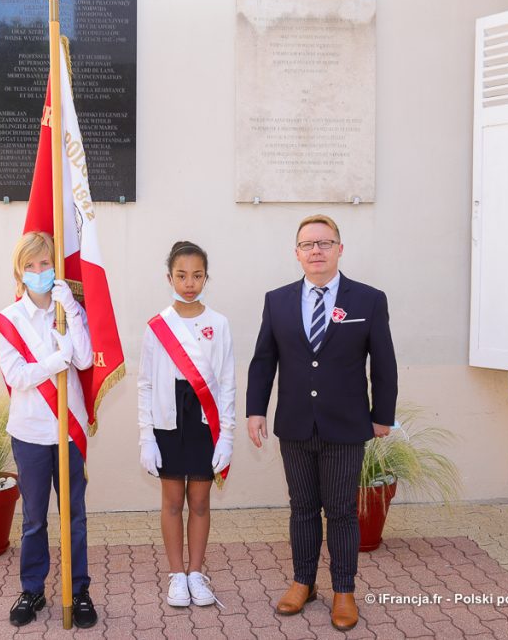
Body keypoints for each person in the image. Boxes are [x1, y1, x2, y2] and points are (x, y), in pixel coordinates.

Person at [246, 215, 397, 631]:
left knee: (343, 512)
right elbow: (264, 361)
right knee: (302, 509)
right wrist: (255, 410)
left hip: (347, 426)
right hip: (294, 425)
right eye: (308, 244)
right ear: (296, 253)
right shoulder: (277, 300)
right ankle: (303, 582)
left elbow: (383, 362)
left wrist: (382, 416)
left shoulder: (368, 300)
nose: (316, 250)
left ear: (340, 249)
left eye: (325, 243)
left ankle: (344, 591)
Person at [0, 231, 98, 629]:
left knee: (75, 517)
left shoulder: (68, 310)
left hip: (68, 431)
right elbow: (17, 376)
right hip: (31, 432)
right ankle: (32, 588)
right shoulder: (9, 320)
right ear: (20, 270)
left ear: (55, 267)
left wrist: (70, 307)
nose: (39, 271)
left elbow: (84, 360)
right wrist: (55, 361)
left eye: (45, 264)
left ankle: (78, 590)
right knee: (35, 517)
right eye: (30, 265)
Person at [137, 241, 235, 607]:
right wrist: (146, 437)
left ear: (206, 277)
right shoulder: (157, 327)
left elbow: (226, 383)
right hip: (168, 420)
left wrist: (226, 435)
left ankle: (197, 573)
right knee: (173, 501)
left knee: (200, 500)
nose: (189, 282)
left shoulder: (219, 323)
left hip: (204, 421)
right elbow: (145, 384)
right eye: (181, 275)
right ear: (169, 278)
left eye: (197, 275)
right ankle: (177, 575)